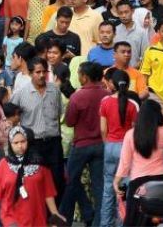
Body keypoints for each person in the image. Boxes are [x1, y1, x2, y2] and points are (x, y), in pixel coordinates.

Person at [0, 126, 66, 227]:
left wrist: (54, 213)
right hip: (11, 217)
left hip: (36, 217)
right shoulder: (4, 165)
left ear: (28, 141)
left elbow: (48, 192)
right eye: (16, 143)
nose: (20, 146)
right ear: (10, 144)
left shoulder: (41, 165)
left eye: (23, 141)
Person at [114, 99, 163, 226]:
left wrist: (116, 182)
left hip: (139, 186)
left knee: (136, 219)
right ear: (158, 115)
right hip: (162, 182)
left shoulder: (130, 134)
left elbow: (125, 163)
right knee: (160, 220)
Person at [9, 57, 64, 199]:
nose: (41, 75)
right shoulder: (21, 93)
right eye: (37, 72)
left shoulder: (54, 90)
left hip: (54, 142)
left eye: (44, 72)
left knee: (57, 181)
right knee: (35, 181)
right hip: (34, 144)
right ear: (31, 73)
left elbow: (58, 114)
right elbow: (12, 116)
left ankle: (53, 216)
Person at [60, 61, 107, 226]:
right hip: (101, 145)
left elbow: (70, 121)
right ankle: (97, 221)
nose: (78, 77)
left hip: (81, 145)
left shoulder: (77, 96)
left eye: (79, 74)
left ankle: (78, 214)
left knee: (71, 179)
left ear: (84, 77)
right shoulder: (106, 95)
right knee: (98, 185)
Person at [99, 69, 138, 227]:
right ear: (128, 85)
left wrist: (107, 143)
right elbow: (135, 131)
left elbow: (103, 129)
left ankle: (105, 224)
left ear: (112, 84)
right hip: (127, 149)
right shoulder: (133, 105)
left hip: (110, 146)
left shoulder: (105, 102)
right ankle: (123, 223)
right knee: (126, 190)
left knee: (108, 188)